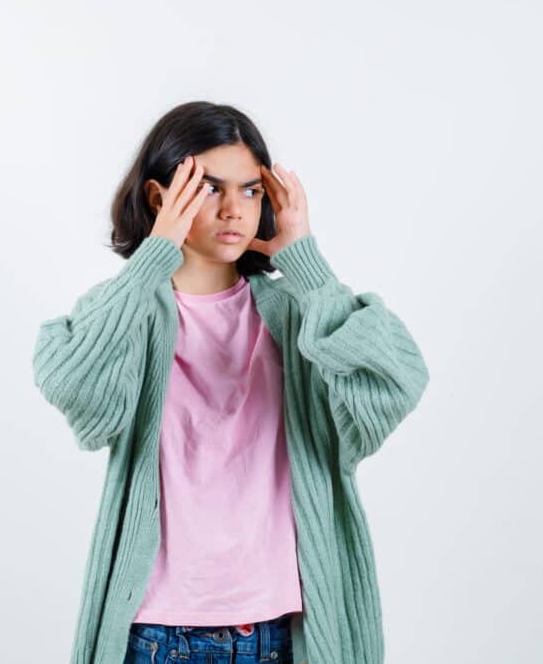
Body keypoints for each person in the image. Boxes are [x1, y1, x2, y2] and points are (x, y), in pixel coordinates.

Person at [32, 101, 430, 664]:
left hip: (280, 633)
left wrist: (308, 266)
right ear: (158, 198)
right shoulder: (129, 313)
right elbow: (71, 382)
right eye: (208, 189)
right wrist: (152, 258)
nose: (233, 210)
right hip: (157, 633)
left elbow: (396, 381)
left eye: (250, 191)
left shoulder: (294, 311)